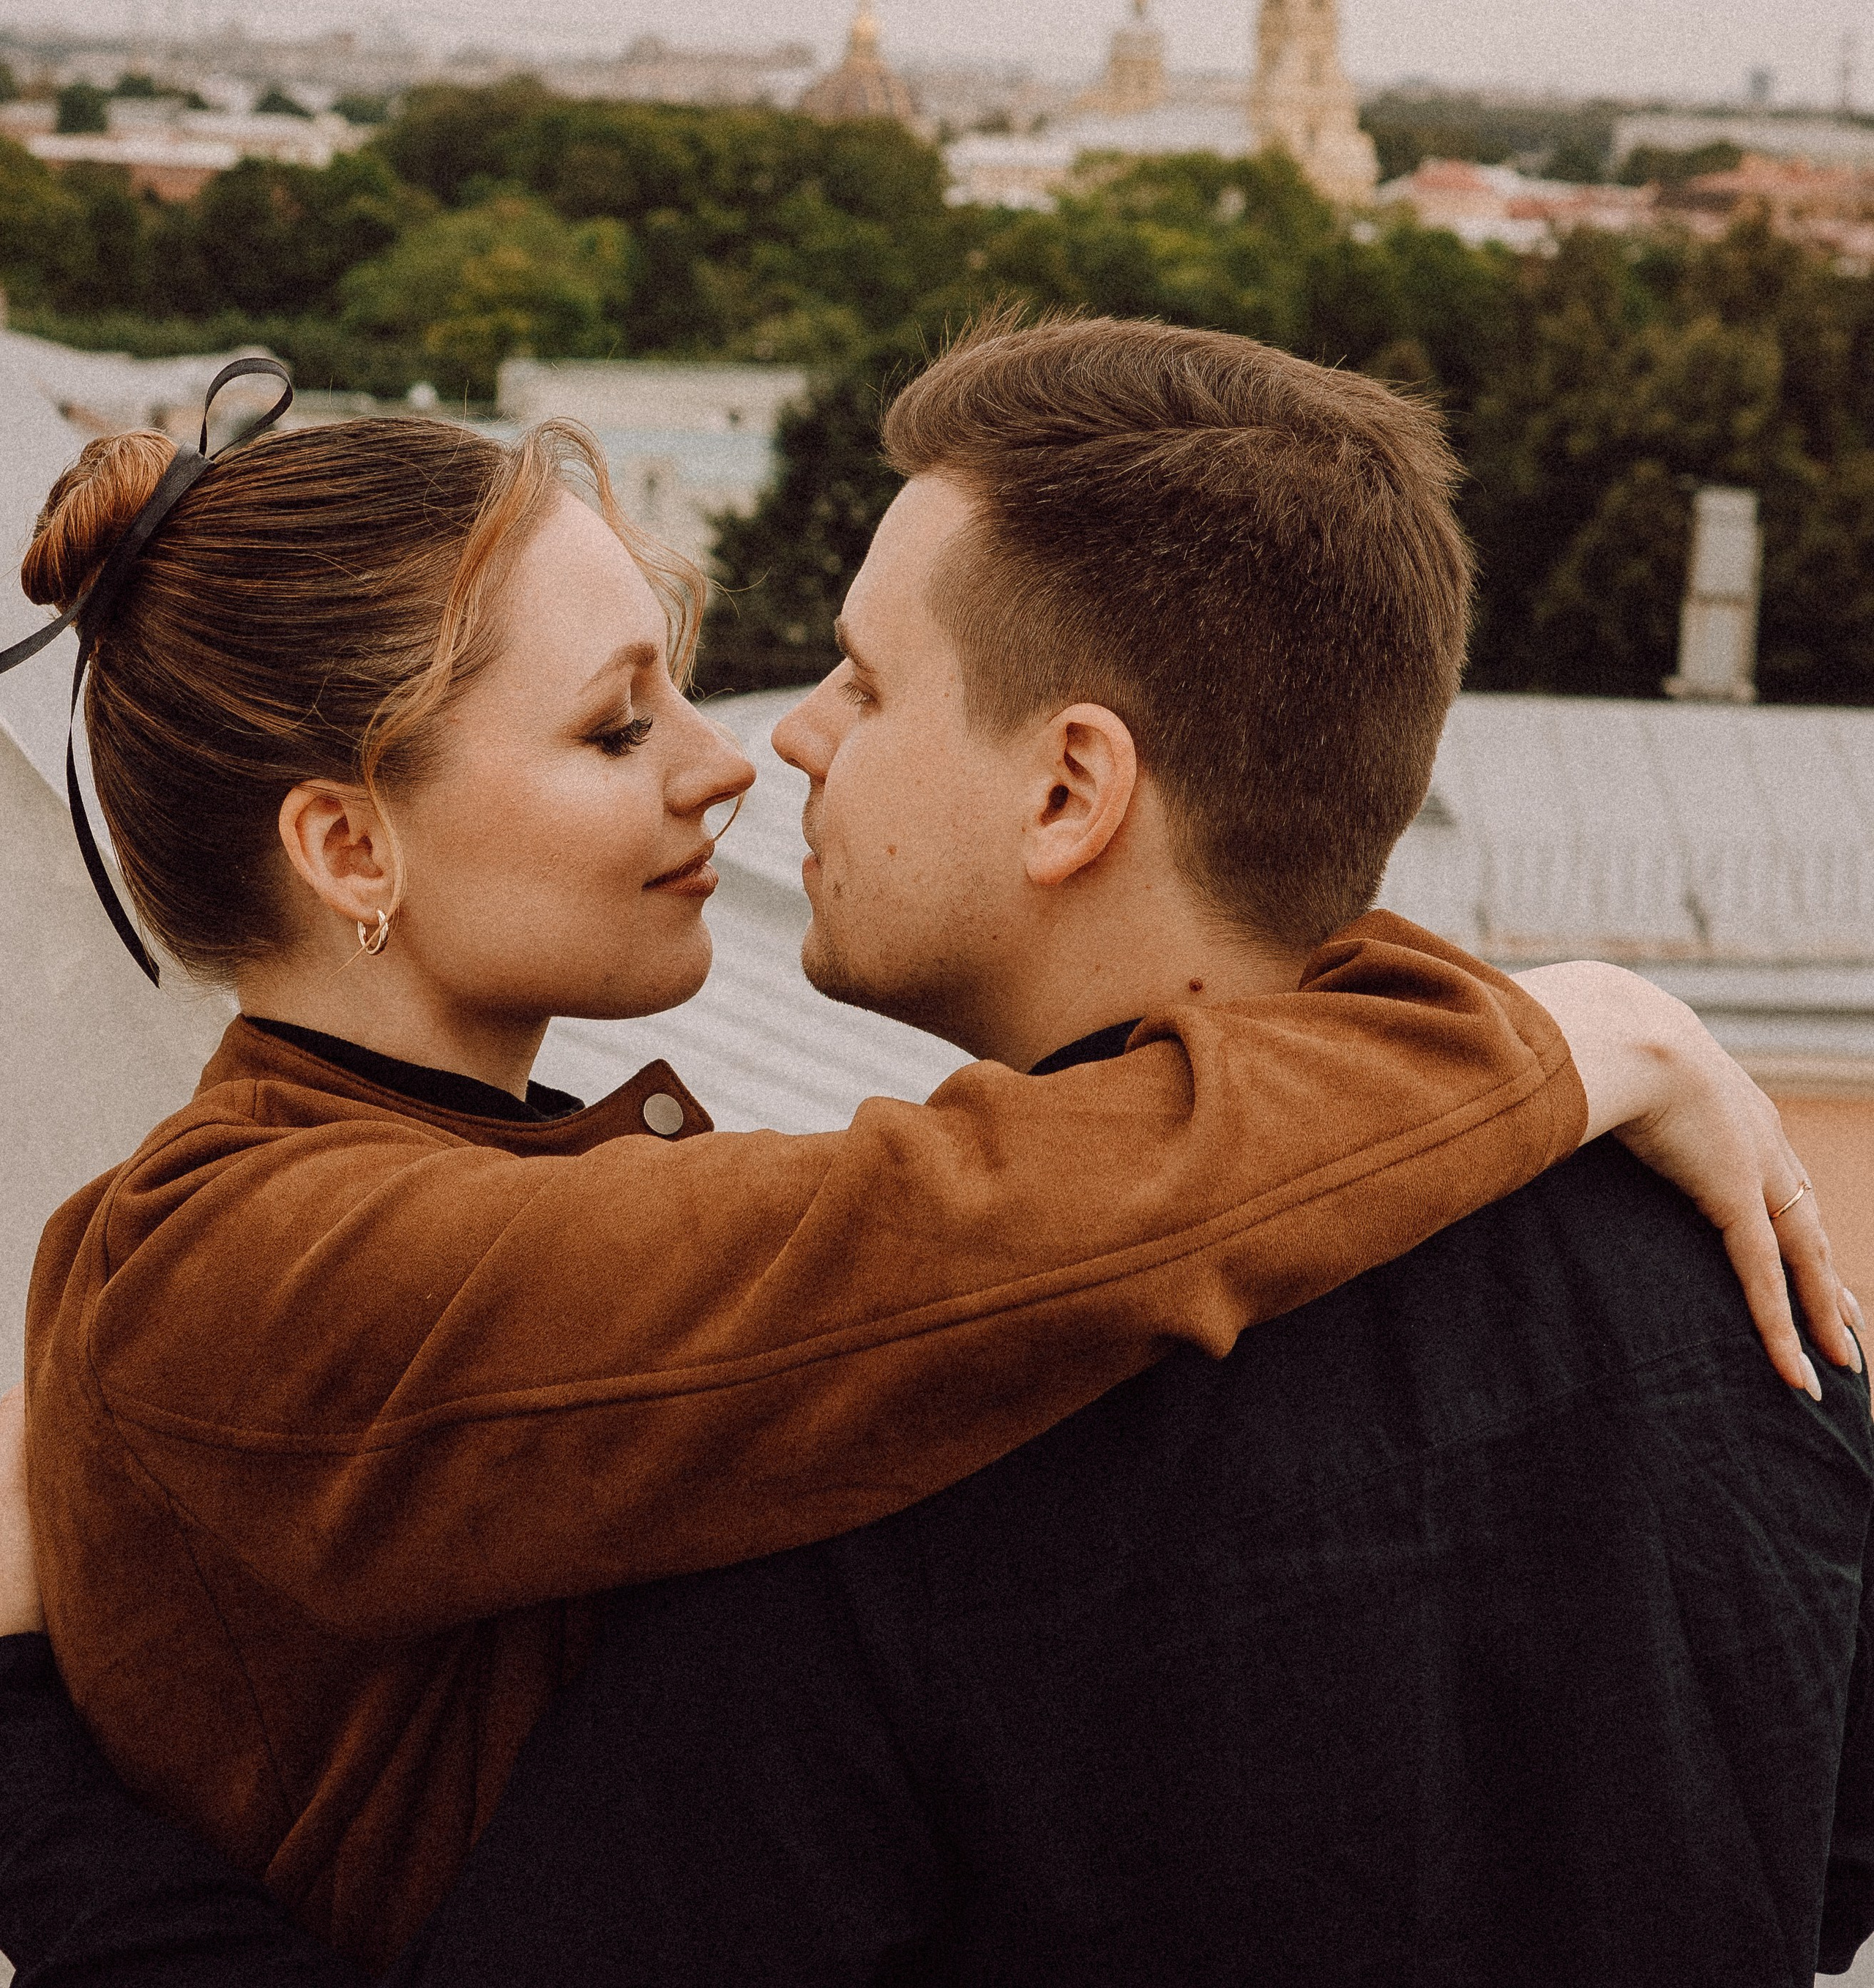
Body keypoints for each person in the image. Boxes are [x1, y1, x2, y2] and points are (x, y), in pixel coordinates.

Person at [0, 315, 1862, 1987]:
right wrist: (1552, 1033)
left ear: (1070, 788)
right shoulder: (1740, 1300)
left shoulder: (875, 1463)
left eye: (855, 684)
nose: (749, 754)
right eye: (616, 725)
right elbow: (961, 1219)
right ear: (345, 847)